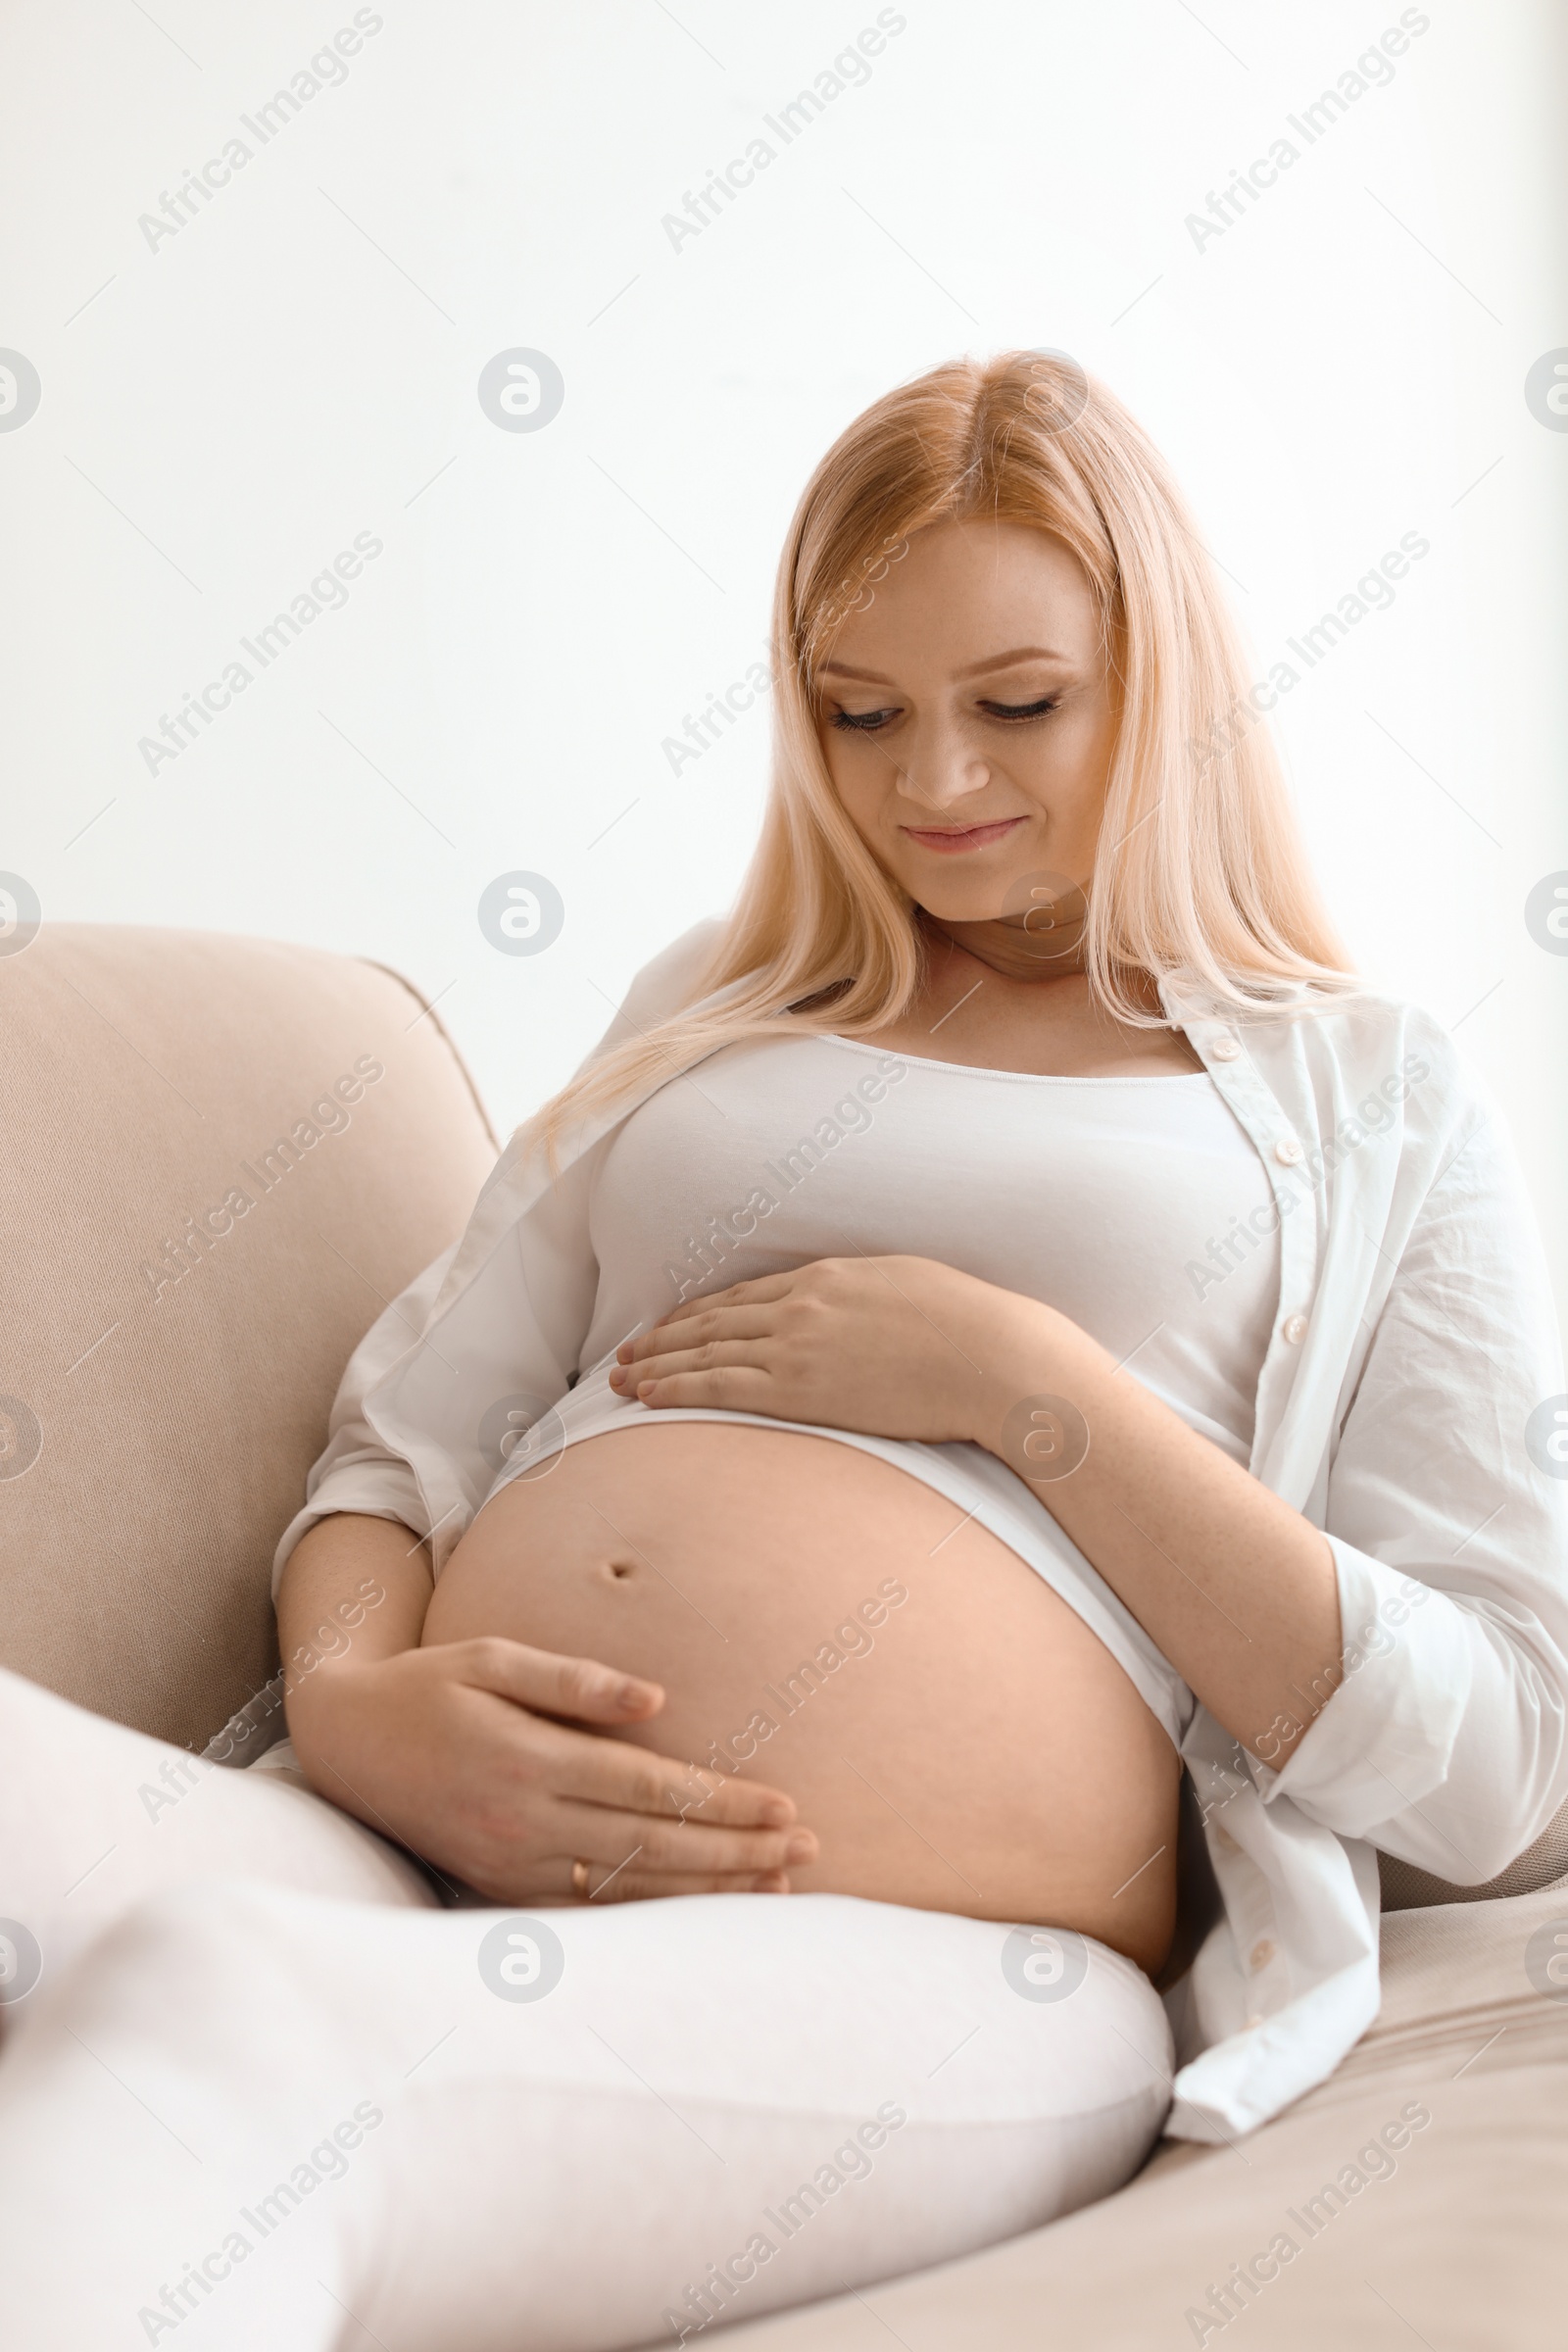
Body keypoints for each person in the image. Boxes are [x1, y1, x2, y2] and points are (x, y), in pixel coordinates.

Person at [4, 353, 1564, 2352]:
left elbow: (1508, 1757)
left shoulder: (1365, 1094)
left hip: (950, 1971)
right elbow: (399, 1450)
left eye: (1016, 705)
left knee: (234, 2028)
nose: (931, 785)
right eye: (856, 713)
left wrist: (1028, 1392)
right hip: (410, 1844)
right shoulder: (714, 1011)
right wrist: (356, 1691)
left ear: (1158, 681)